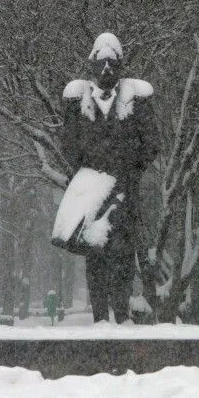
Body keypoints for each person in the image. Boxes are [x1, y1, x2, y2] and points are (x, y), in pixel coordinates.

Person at [59, 32, 159, 323]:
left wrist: (129, 171)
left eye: (112, 63)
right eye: (101, 63)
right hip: (93, 195)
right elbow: (68, 144)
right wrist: (87, 173)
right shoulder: (78, 100)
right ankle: (100, 318)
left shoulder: (136, 99)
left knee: (123, 257)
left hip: (124, 193)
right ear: (92, 65)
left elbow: (152, 144)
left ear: (120, 66)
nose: (106, 70)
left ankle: (122, 316)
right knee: (96, 257)